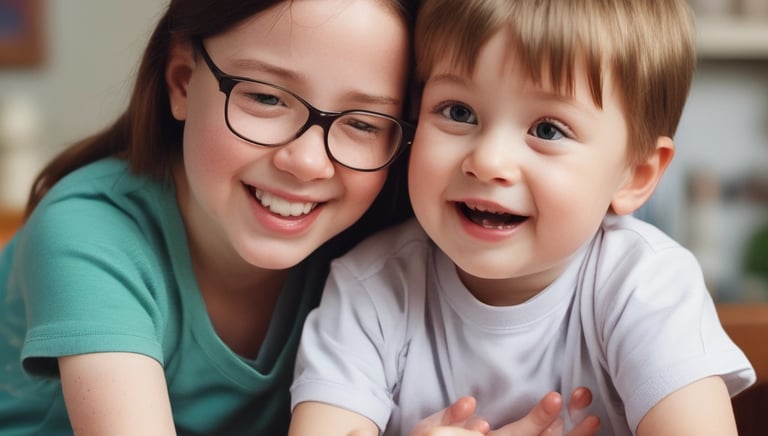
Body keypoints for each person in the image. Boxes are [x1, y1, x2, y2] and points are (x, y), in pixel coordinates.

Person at [0, 1, 597, 434]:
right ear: (182, 80)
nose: (307, 162)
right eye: (265, 97)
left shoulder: (374, 257)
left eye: (364, 123)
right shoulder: (89, 235)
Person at [289, 0, 757, 435]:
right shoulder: (370, 288)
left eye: (548, 129)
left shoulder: (645, 285)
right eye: (458, 111)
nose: (488, 160)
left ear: (635, 175)